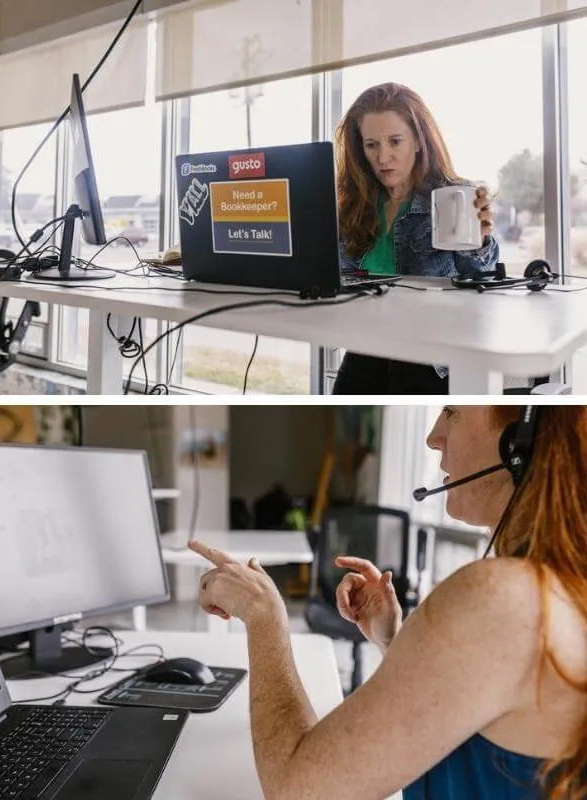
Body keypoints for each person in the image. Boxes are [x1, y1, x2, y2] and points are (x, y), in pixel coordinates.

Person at [189, 405, 587, 799]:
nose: (433, 436)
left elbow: (296, 790)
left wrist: (263, 614)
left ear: (520, 442)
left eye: (451, 412)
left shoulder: (504, 599)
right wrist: (394, 641)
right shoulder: (562, 584)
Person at [332, 83, 499, 395]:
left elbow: (480, 278)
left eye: (395, 141)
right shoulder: (354, 205)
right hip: (365, 349)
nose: (383, 157)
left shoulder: (456, 196)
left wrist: (481, 240)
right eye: (371, 145)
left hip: (429, 359)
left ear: (419, 141)